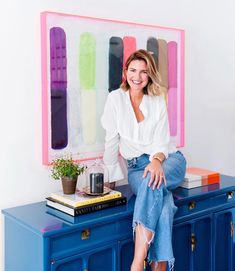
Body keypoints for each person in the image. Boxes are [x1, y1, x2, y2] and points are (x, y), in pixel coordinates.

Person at [101, 49, 186, 271]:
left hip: (168, 162)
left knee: (154, 180)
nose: (137, 77)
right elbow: (111, 140)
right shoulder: (115, 99)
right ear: (125, 72)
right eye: (133, 70)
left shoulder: (157, 100)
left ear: (150, 76)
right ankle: (160, 265)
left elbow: (162, 141)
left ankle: (138, 260)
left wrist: (157, 160)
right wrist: (109, 179)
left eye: (144, 72)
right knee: (162, 201)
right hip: (137, 168)